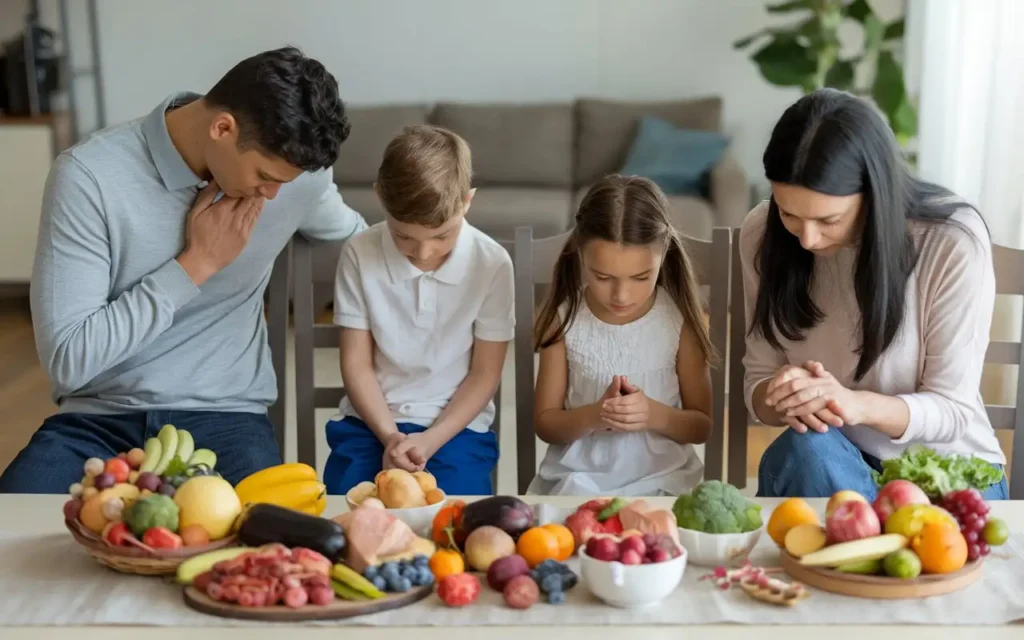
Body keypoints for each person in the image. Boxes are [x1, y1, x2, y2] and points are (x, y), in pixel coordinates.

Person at [0, 47, 368, 493]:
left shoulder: (298, 180)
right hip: (97, 420)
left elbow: (365, 244)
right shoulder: (90, 176)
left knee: (267, 546)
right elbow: (69, 361)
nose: (271, 195)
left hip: (229, 419)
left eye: (283, 183)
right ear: (222, 128)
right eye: (263, 176)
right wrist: (196, 265)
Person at [741, 88, 1009, 501]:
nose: (807, 239)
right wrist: (782, 397)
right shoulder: (764, 233)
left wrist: (853, 403)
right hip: (838, 465)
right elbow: (757, 384)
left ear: (876, 195)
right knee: (802, 449)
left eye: (829, 219)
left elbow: (952, 411)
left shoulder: (950, 241)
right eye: (789, 213)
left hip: (946, 471)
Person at [322, 124, 513, 496]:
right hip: (370, 423)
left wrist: (430, 440)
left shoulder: (492, 264)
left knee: (456, 519)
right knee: (347, 514)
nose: (423, 253)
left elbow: (484, 374)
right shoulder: (360, 253)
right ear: (380, 197)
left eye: (442, 235)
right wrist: (391, 436)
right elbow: (356, 364)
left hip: (455, 429)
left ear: (467, 201)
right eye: (404, 236)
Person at [526, 174, 713, 496]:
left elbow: (701, 426)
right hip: (578, 480)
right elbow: (546, 424)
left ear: (664, 252)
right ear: (581, 254)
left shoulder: (677, 321)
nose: (621, 295)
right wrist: (595, 416)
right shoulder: (564, 320)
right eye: (602, 276)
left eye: (641, 277)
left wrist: (654, 415)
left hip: (664, 482)